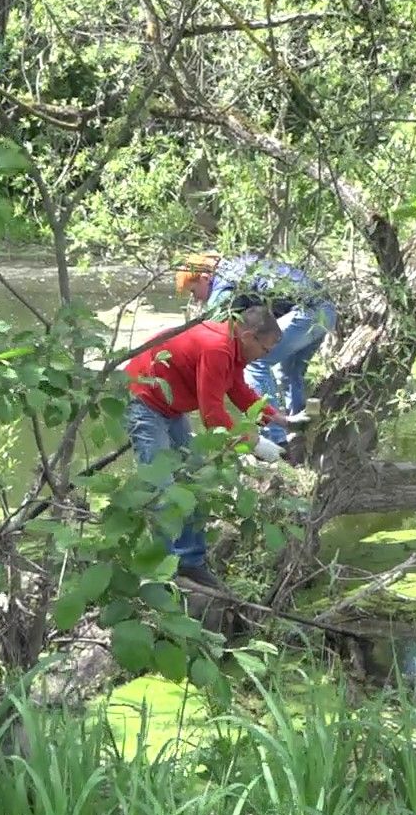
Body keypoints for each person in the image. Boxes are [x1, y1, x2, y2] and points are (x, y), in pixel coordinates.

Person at [123, 303, 284, 590]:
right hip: (146, 401)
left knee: (194, 481)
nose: (266, 356)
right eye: (266, 349)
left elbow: (237, 391)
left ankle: (190, 562)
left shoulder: (234, 349)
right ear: (248, 335)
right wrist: (255, 443)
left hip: (171, 408)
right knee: (163, 491)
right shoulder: (217, 348)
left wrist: (281, 420)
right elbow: (212, 416)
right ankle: (159, 576)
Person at [175, 252, 335, 445]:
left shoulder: (223, 284)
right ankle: (297, 433)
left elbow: (215, 332)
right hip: (326, 309)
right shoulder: (237, 266)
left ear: (204, 278)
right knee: (290, 372)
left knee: (257, 363)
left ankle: (275, 440)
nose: (197, 300)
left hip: (307, 312)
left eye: (193, 292)